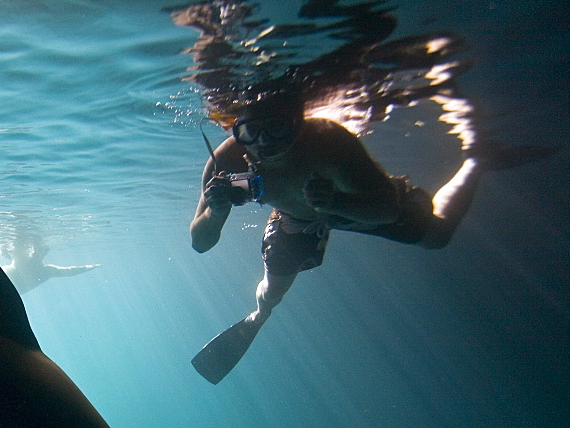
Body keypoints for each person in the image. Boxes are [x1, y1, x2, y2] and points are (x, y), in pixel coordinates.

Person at [188, 87, 544, 384]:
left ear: (298, 123)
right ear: (236, 129)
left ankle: (476, 160)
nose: (264, 144)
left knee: (436, 235)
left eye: (278, 129)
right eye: (250, 131)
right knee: (271, 296)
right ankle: (258, 316)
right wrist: (217, 212)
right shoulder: (227, 160)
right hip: (296, 216)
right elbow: (200, 243)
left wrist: (339, 201)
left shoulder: (329, 142)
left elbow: (387, 208)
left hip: (353, 203)